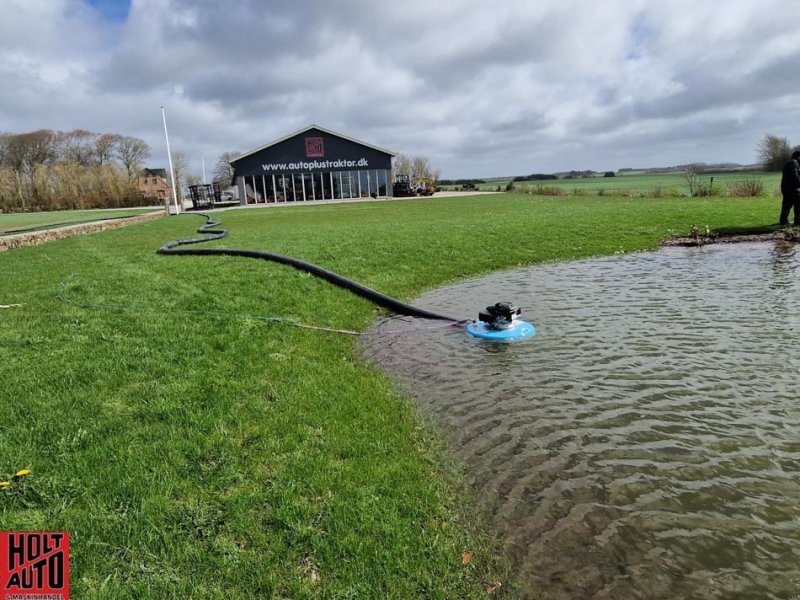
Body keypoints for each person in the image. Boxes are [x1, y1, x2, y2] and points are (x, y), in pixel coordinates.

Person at [779, 150, 800, 226]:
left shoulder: (788, 162)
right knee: (798, 204)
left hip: (786, 188)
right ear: (798, 157)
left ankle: (783, 221)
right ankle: (797, 222)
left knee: (786, 205)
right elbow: (795, 176)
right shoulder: (794, 163)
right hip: (792, 188)